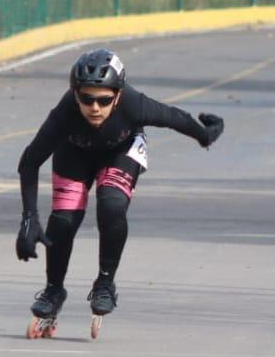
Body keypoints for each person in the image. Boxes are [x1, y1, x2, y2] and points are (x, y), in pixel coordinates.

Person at [16, 48, 224, 336]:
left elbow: (174, 118)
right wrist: (29, 218)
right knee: (63, 220)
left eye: (104, 100)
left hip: (120, 151)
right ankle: (53, 290)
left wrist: (205, 135)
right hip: (74, 153)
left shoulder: (133, 105)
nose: (95, 107)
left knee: (111, 205)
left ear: (118, 95)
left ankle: (105, 283)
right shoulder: (65, 113)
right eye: (86, 99)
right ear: (75, 94)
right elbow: (29, 161)